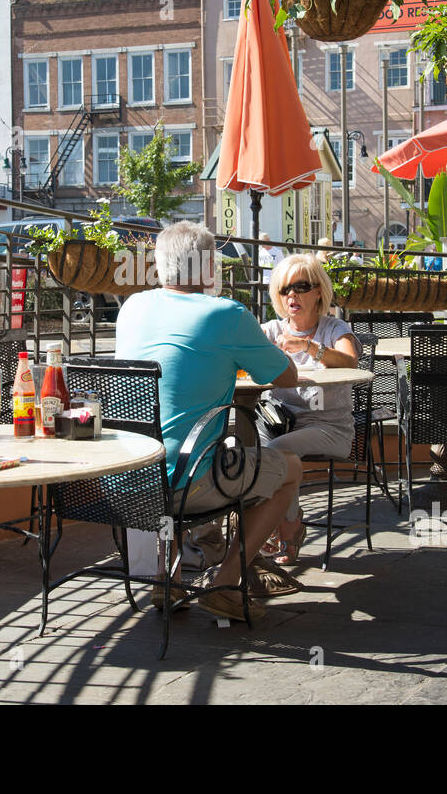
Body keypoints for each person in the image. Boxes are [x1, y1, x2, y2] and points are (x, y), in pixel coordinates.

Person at [116, 221, 304, 620]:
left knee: (178, 436)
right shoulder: (226, 314)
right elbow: (286, 377)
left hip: (127, 477)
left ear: (160, 266)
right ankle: (225, 584)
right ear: (207, 268)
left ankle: (166, 580)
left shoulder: (132, 307)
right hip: (191, 484)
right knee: (289, 468)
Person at [258, 253, 363, 564]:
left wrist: (307, 346)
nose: (292, 295)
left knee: (275, 451)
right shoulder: (271, 331)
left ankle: (285, 527)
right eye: (284, 289)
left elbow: (349, 361)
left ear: (318, 291)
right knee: (249, 447)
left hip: (330, 428)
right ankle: (275, 524)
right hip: (281, 422)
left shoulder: (333, 328)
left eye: (301, 286)